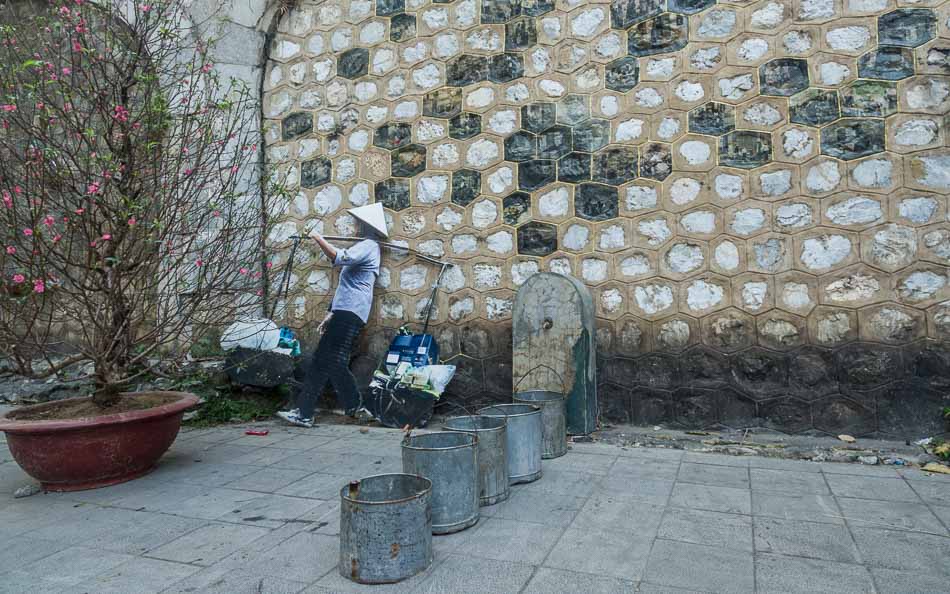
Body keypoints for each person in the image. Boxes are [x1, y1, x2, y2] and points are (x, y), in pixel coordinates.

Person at [276, 203, 387, 428]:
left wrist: (317, 237)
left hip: (350, 312)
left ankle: (323, 410)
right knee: (328, 362)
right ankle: (337, 408)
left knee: (327, 360)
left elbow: (339, 256)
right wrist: (330, 312)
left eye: (358, 223)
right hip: (346, 311)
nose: (355, 226)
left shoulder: (368, 245)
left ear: (366, 226)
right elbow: (345, 287)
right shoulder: (367, 246)